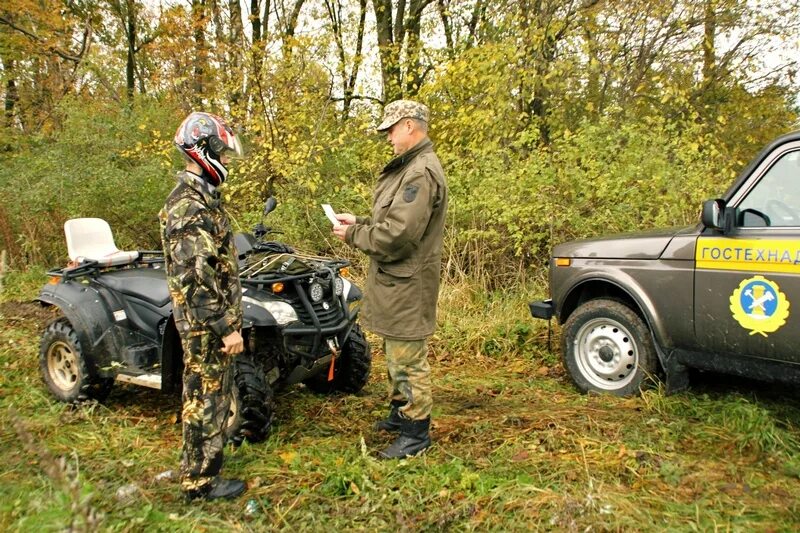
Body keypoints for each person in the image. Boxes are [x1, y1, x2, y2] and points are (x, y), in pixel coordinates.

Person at [333, 100, 448, 459]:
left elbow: (399, 235)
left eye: (391, 130)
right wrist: (360, 224)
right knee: (396, 351)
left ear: (410, 126)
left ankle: (416, 433)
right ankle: (401, 415)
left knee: (408, 356)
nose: (388, 138)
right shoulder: (409, 168)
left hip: (408, 281)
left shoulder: (419, 172)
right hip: (398, 279)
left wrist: (354, 237)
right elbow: (393, 221)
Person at [159, 112, 246, 501]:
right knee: (205, 399)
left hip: (208, 322)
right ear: (203, 150)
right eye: (222, 153)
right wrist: (225, 325)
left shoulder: (203, 198)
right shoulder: (189, 205)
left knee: (207, 394)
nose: (226, 161)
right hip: (204, 324)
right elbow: (195, 278)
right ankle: (200, 483)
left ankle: (198, 467)